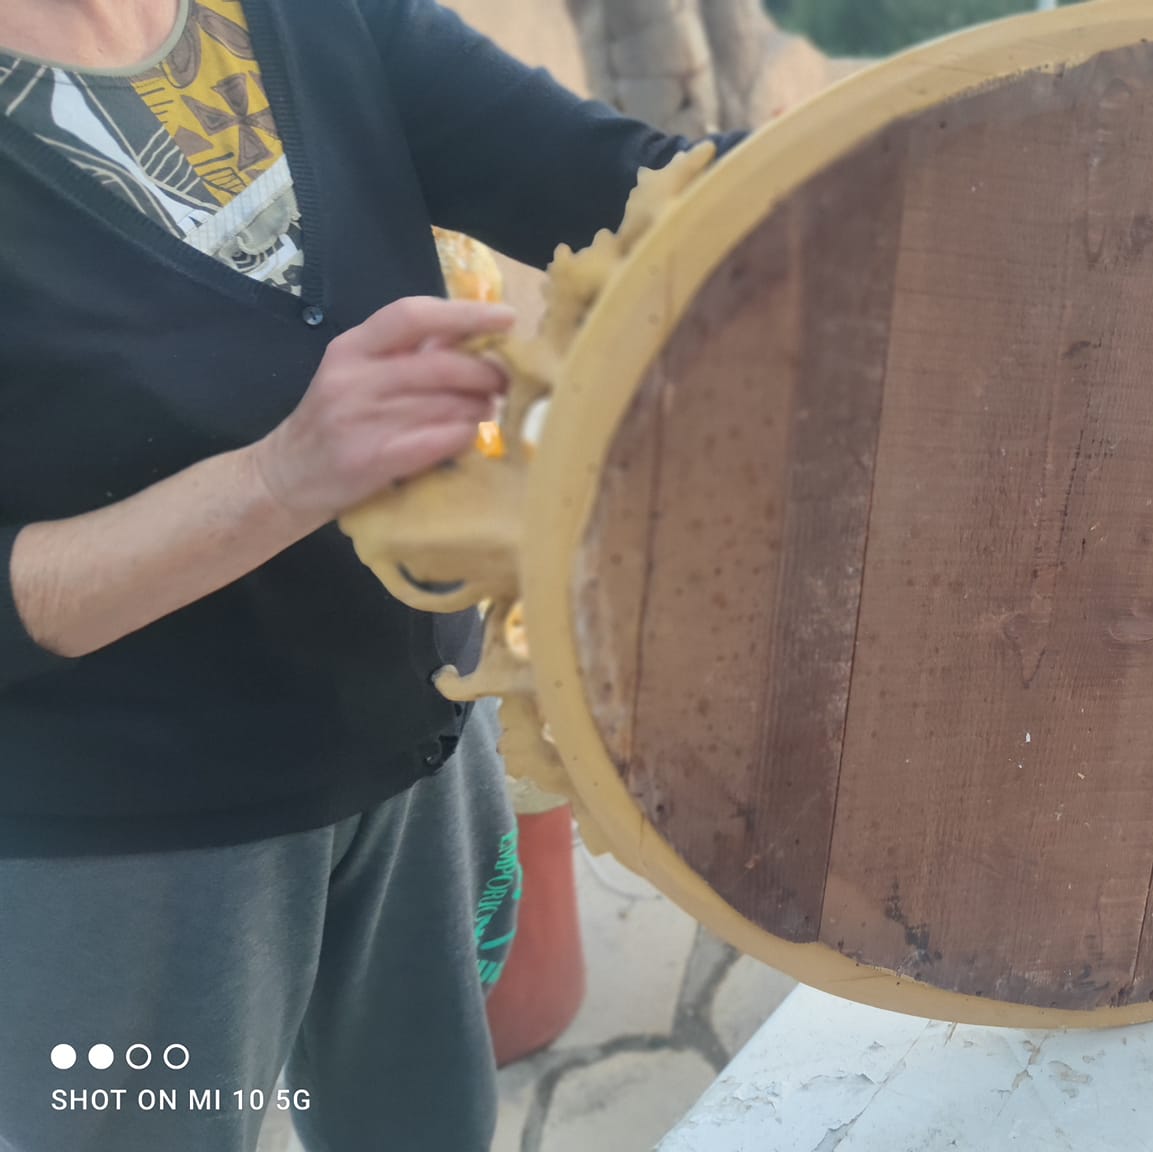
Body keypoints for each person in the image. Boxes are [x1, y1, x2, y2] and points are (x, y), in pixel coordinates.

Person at [0, 1, 737, 1148]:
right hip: (131, 844)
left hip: (416, 761)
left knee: (425, 1125)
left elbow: (632, 192)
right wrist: (280, 478)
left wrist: (933, 152)